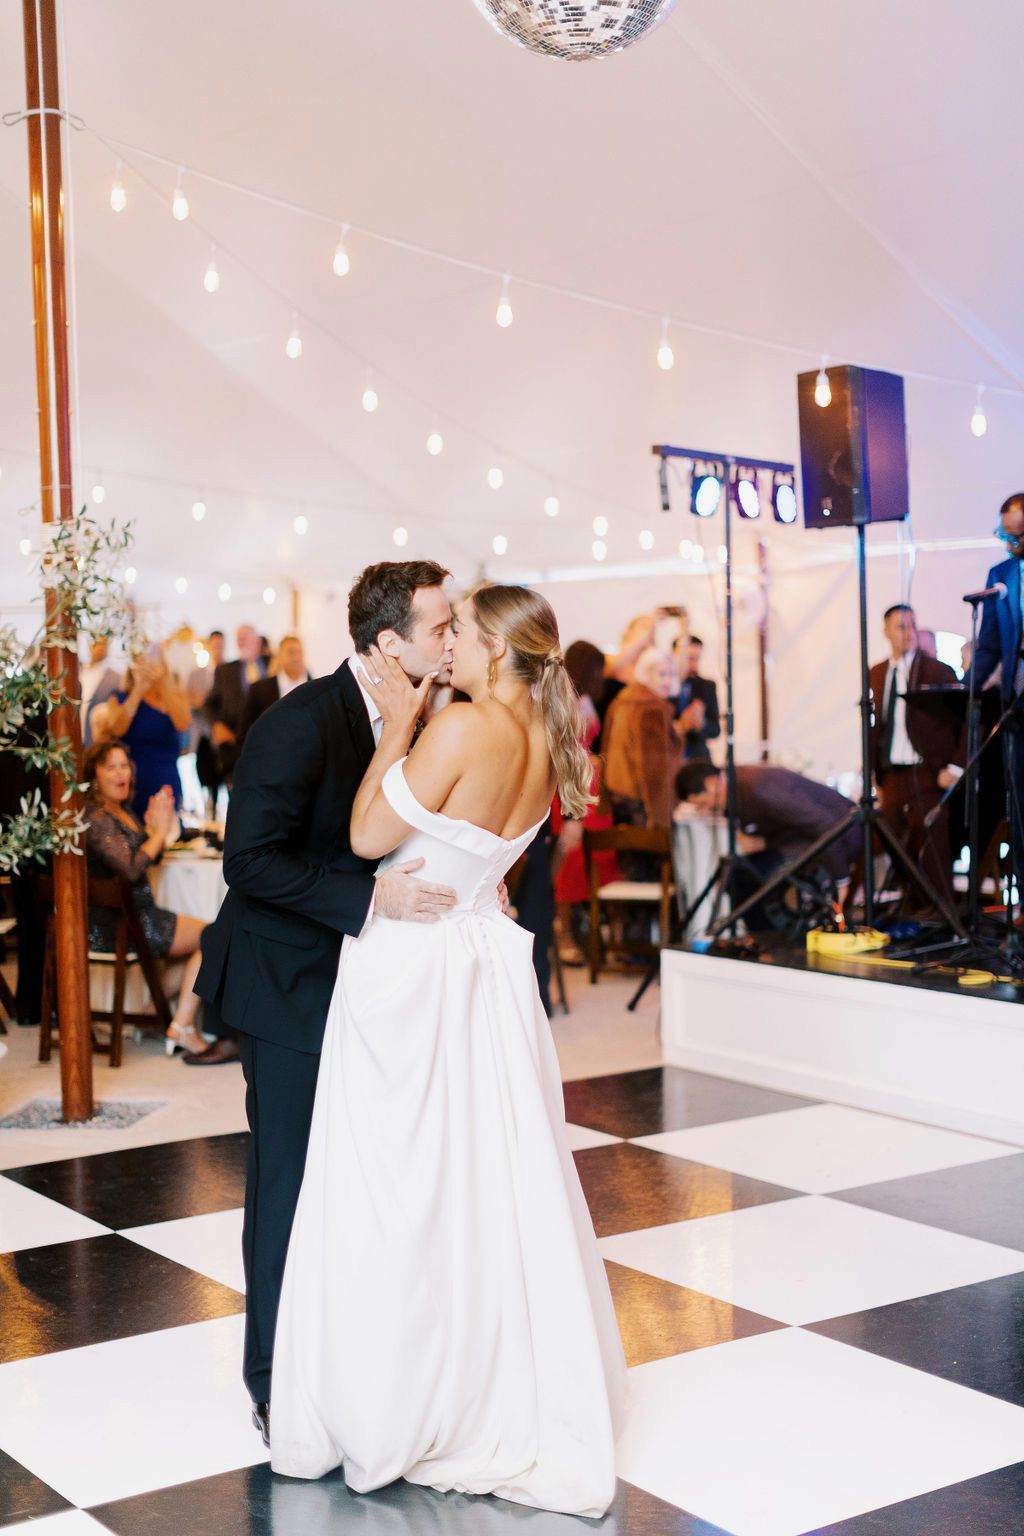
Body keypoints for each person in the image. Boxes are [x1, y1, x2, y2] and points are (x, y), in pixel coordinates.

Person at [271, 583, 624, 1515]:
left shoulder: (463, 729)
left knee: (396, 1185)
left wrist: (397, 726)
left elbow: (364, 834)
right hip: (483, 973)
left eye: (461, 633)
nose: (449, 647)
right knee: (482, 1184)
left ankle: (401, 1398)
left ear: (498, 650)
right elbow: (491, 861)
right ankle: (488, 1377)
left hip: (414, 971)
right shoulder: (547, 742)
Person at [193, 561, 468, 1449]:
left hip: (366, 987)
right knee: (287, 1184)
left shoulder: (422, 719)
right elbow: (250, 863)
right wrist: (369, 903)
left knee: (355, 1183)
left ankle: (345, 1360)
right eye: (441, 629)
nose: (454, 642)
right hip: (284, 986)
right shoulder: (298, 723)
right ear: (389, 644)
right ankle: (273, 1384)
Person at [84, 740, 208, 1053]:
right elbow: (130, 869)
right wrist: (155, 836)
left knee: (211, 937)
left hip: (138, 916)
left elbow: (143, 857)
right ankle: (180, 1027)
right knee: (215, 936)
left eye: (124, 765)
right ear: (94, 776)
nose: (120, 772)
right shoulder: (96, 817)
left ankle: (151, 1015)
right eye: (110, 767)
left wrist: (158, 834)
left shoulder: (122, 812)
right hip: (119, 924)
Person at [676, 759, 861, 928]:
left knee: (746, 879)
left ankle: (773, 938)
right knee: (738, 877)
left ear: (711, 782)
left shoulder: (761, 787)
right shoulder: (737, 790)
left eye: (703, 803)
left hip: (838, 837)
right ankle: (765, 939)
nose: (707, 809)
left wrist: (841, 879)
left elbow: (824, 824)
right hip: (799, 840)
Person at [869, 603, 962, 904]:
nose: (908, 633)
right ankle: (909, 903)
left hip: (927, 770)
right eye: (900, 626)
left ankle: (942, 910)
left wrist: (956, 766)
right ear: (886, 631)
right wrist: (873, 771)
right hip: (892, 772)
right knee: (890, 836)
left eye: (912, 625)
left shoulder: (937, 670)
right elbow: (875, 726)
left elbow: (962, 724)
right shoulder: (876, 673)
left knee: (933, 837)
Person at [973, 491, 1024, 889]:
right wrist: (967, 687)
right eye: (1005, 535)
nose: (1011, 544)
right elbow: (990, 642)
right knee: (1019, 804)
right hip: (1017, 705)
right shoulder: (1000, 575)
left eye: (1018, 536)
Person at [101, 649, 191, 819]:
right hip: (133, 780)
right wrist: (138, 690)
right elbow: (117, 729)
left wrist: (163, 685)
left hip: (166, 776)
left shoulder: (176, 695)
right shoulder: (120, 696)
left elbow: (183, 723)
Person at [602, 646, 682, 831]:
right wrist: (661, 821)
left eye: (671, 674)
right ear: (646, 673)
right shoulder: (652, 708)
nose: (668, 681)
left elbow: (606, 749)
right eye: (662, 674)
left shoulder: (622, 700)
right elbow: (654, 770)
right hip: (644, 809)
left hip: (620, 800)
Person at [204, 624, 268, 784]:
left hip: (267, 745)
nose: (242, 642)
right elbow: (209, 704)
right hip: (235, 747)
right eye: (239, 639)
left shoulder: (272, 664)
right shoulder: (225, 671)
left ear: (257, 640)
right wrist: (216, 725)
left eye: (246, 637)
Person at [237, 634, 311, 745]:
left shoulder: (314, 688)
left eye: (299, 652)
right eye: (291, 652)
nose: (296, 657)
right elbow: (245, 731)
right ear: (279, 656)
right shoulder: (259, 690)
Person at [674, 634, 721, 761]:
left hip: (698, 757)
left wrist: (700, 722)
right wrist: (681, 725)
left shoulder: (707, 686)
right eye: (690, 659)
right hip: (671, 755)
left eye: (697, 659)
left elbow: (715, 730)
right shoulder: (663, 687)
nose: (693, 665)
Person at [80, 636, 121, 748]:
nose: (100, 648)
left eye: (104, 644)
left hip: (97, 744)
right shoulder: (78, 672)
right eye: (97, 644)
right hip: (73, 739)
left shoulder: (116, 679)